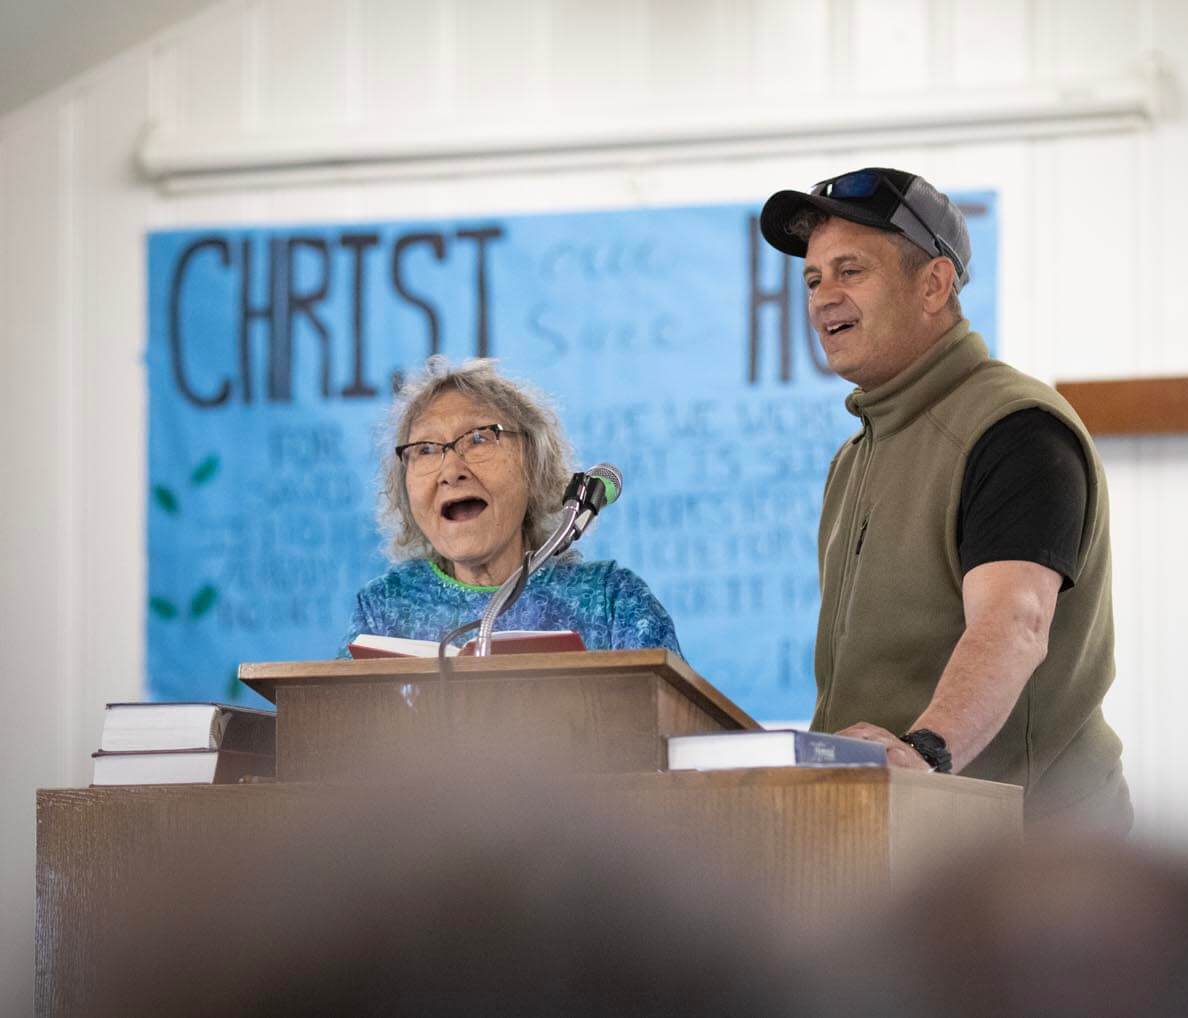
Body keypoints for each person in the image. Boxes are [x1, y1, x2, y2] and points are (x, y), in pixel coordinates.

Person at [759, 168, 1130, 831]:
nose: (822, 297)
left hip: (1023, 857)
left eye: (851, 271)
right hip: (895, 835)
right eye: (813, 279)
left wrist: (925, 753)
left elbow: (1012, 622)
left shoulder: (1012, 428)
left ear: (932, 284)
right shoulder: (857, 455)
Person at [340, 356, 680, 655]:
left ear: (534, 464)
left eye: (479, 439)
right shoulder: (384, 609)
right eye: (426, 449)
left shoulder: (612, 601)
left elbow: (671, 717)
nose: (451, 471)